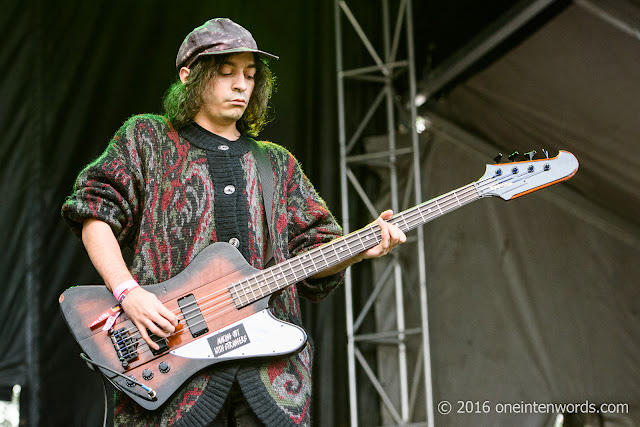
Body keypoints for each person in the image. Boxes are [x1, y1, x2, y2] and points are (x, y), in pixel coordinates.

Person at [61, 18, 405, 426]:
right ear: (189, 77)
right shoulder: (146, 139)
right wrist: (127, 292)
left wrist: (359, 249)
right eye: (226, 73)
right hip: (172, 376)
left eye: (251, 74)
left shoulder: (278, 163)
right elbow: (94, 212)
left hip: (270, 378)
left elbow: (316, 256)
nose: (242, 84)